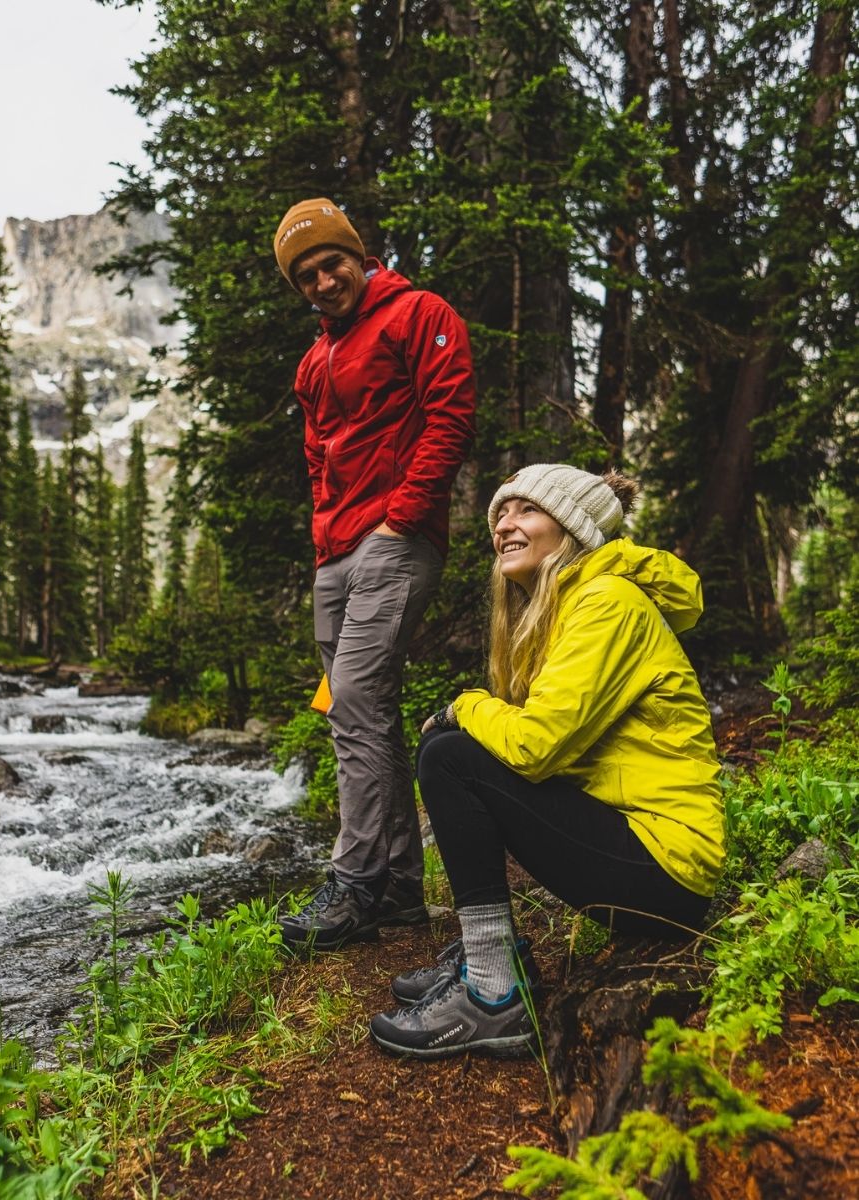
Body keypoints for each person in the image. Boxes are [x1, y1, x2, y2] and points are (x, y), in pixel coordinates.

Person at [369, 463, 725, 1058]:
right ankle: (490, 954)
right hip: (635, 846)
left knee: (452, 755)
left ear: (572, 529)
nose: (505, 525)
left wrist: (466, 705)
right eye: (500, 514)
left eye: (526, 511)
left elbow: (534, 747)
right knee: (449, 747)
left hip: (665, 871)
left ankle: (492, 993)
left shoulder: (608, 603)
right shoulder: (566, 604)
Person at [272, 198, 476, 950]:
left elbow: (451, 416)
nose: (324, 282)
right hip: (337, 552)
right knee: (359, 712)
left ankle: (354, 880)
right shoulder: (313, 360)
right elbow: (318, 453)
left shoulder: (419, 314)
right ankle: (395, 889)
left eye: (333, 264)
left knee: (356, 697)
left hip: (395, 537)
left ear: (359, 255)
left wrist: (402, 517)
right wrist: (327, 537)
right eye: (307, 276)